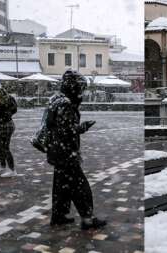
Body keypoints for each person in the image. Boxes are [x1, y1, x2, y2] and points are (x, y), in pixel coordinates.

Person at [46, 70, 106, 229]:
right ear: (73, 87)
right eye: (80, 87)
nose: (81, 91)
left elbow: (52, 126)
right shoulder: (66, 104)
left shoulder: (56, 100)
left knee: (61, 185)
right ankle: (88, 219)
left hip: (56, 150)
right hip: (66, 152)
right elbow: (65, 130)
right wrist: (82, 127)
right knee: (80, 186)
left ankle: (59, 215)